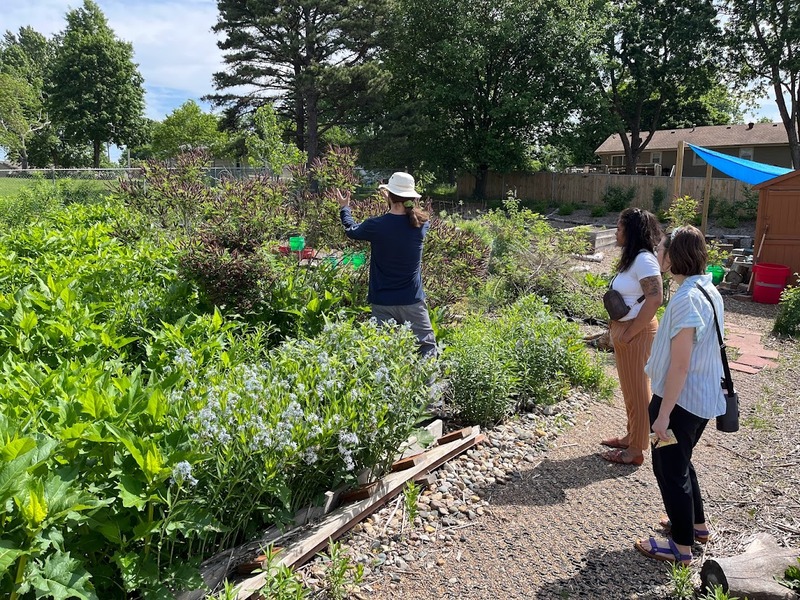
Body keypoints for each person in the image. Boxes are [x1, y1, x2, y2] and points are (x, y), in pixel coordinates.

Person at [634, 226, 726, 566]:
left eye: (661, 248)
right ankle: (696, 526)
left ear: (673, 257)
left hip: (679, 402)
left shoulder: (687, 300)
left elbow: (680, 365)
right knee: (681, 461)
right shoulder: (707, 289)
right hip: (700, 398)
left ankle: (681, 547)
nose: (657, 253)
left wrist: (662, 414)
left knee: (668, 468)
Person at [335, 172, 436, 358]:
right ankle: (425, 386)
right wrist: (392, 200)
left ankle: (388, 387)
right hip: (412, 300)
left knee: (383, 351)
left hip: (382, 301)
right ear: (412, 197)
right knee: (425, 347)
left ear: (389, 195)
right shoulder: (422, 225)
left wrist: (344, 208)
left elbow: (351, 229)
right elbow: (409, 213)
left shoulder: (376, 225)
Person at [600, 207, 663, 466]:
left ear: (632, 231)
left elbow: (656, 298)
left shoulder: (644, 260)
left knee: (638, 390)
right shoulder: (633, 259)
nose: (616, 231)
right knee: (630, 389)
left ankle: (635, 450)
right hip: (626, 331)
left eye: (619, 226)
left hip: (636, 334)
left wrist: (630, 332)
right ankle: (632, 435)